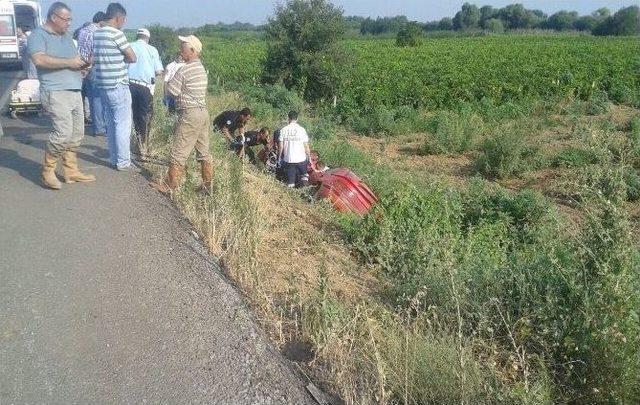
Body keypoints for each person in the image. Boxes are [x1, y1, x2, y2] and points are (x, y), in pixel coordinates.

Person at [27, 1, 95, 190]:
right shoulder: (38, 35)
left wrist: (82, 66)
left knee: (77, 133)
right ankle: (47, 171)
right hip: (55, 92)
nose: (69, 23)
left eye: (70, 19)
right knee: (62, 133)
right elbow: (39, 60)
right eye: (66, 19)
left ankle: (70, 170)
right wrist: (69, 63)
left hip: (74, 90)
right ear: (54, 17)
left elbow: (71, 62)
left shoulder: (66, 37)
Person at [153, 34, 212, 194]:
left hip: (189, 114)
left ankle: (169, 186)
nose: (180, 50)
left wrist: (167, 78)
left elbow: (172, 91)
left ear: (192, 50)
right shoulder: (201, 68)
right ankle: (207, 185)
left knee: (178, 151)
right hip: (203, 113)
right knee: (204, 152)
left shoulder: (184, 70)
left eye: (183, 47)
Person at [93, 3, 136, 171]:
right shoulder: (117, 34)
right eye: (123, 20)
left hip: (103, 85)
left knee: (111, 123)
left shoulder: (97, 34)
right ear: (118, 17)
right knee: (123, 125)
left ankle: (113, 159)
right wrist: (121, 59)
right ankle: (124, 162)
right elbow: (132, 57)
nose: (123, 23)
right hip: (118, 85)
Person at [128, 27, 163, 154]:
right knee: (144, 117)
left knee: (130, 115)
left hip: (128, 85)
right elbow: (158, 71)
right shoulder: (152, 50)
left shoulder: (129, 46)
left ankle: (129, 144)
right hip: (144, 87)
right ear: (147, 38)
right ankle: (143, 145)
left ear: (137, 36)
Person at [77, 11, 107, 136]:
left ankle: (96, 125)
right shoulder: (97, 32)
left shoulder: (82, 31)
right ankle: (100, 129)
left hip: (82, 67)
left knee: (91, 98)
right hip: (93, 67)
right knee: (98, 99)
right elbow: (95, 52)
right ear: (101, 22)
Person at [278, 111, 311, 188]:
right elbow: (306, 146)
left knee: (290, 183)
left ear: (288, 118)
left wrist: (279, 158)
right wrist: (309, 158)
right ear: (297, 119)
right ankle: (304, 190)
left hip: (289, 159)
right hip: (301, 159)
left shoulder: (283, 130)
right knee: (304, 177)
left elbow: (281, 147)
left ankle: (292, 194)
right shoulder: (302, 130)